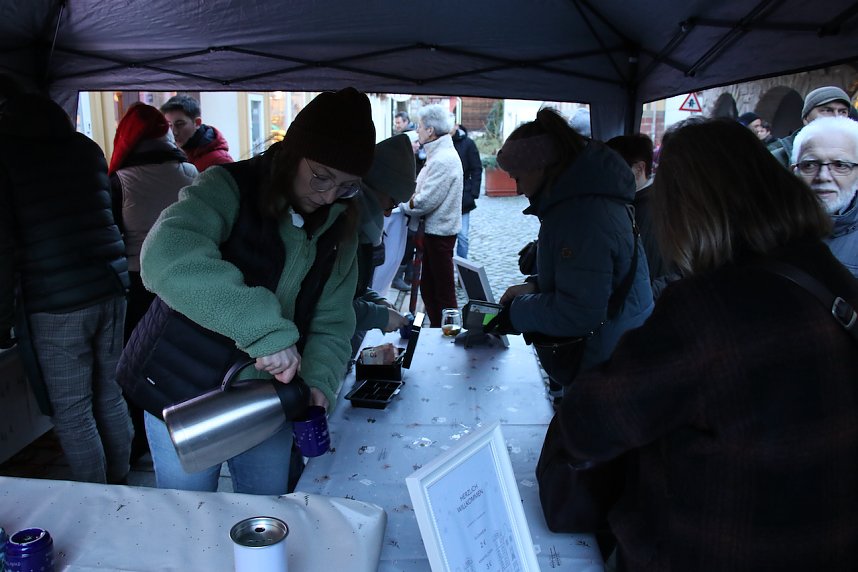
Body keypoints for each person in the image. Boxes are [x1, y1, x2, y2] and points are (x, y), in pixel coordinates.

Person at [553, 118, 858, 570]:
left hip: (717, 546)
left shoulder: (708, 308)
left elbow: (591, 422)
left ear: (687, 210)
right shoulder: (833, 278)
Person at [118, 87, 375, 495]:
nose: (328, 196)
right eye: (321, 177)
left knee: (265, 511)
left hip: (266, 401)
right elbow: (164, 255)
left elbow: (333, 321)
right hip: (183, 388)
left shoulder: (339, 227)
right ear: (292, 152)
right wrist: (265, 330)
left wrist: (319, 383)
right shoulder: (227, 186)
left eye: (346, 186)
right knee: (187, 517)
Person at [0, 94, 133, 484]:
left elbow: (3, 244)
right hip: (109, 285)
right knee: (109, 394)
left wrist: (3, 316)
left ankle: (96, 500)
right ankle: (122, 487)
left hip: (55, 300)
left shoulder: (5, 154)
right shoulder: (86, 148)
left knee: (73, 410)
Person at [485, 108, 653, 390]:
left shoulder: (581, 215)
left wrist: (516, 313)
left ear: (539, 167)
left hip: (609, 366)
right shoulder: (582, 201)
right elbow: (591, 280)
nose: (516, 189)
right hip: (617, 350)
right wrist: (537, 287)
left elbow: (579, 312)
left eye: (517, 177)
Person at [108, 102, 198, 462]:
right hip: (188, 284)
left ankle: (143, 442)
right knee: (182, 361)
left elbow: (112, 237)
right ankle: (183, 427)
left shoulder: (120, 182)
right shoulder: (190, 170)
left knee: (137, 364)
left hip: (138, 285)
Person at [398, 104, 463, 327]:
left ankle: (446, 332)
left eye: (421, 126)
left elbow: (424, 201)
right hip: (434, 232)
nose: (418, 130)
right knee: (430, 288)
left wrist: (402, 203)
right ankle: (438, 330)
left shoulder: (443, 158)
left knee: (442, 291)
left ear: (431, 130)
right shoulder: (438, 155)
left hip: (439, 234)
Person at [352, 133, 416, 353]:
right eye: (391, 202)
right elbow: (328, 307)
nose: (389, 213)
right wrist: (379, 315)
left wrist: (378, 301)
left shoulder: (362, 227)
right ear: (376, 187)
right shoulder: (346, 230)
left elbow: (352, 289)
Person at [791, 116, 858, 277]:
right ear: (793, 172)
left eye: (840, 165)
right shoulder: (766, 228)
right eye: (810, 165)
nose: (823, 176)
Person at [769, 86, 852, 167]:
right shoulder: (779, 158)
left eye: (843, 112)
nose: (836, 117)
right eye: (827, 110)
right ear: (806, 118)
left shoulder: (853, 154)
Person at [160, 94, 234, 171]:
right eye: (169, 125)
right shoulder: (173, 155)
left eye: (180, 124)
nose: (173, 132)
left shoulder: (220, 160)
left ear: (197, 123)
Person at [451, 123, 483, 259]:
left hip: (464, 197)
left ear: (456, 126)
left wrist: (473, 192)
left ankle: (461, 269)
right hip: (446, 197)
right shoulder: (440, 143)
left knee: (463, 236)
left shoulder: (468, 144)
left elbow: (477, 168)